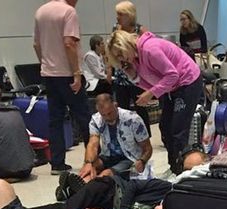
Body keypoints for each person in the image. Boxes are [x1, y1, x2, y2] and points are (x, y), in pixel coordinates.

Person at [106, 30, 203, 175]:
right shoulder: (135, 59)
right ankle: (175, 167)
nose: (121, 59)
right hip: (173, 87)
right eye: (117, 56)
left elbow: (172, 75)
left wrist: (151, 93)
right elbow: (151, 82)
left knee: (178, 130)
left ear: (126, 45)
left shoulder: (150, 49)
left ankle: (183, 170)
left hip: (187, 81)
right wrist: (134, 77)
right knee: (165, 127)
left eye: (120, 53)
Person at [34, 0, 92, 175]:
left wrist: (45, 64)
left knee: (55, 121)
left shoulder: (41, 11)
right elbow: (69, 43)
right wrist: (76, 72)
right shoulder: (68, 12)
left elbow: (37, 44)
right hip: (67, 74)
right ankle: (93, 159)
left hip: (49, 75)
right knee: (85, 119)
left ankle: (57, 164)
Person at [78, 93, 152, 183]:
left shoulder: (133, 119)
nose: (107, 117)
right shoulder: (96, 120)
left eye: (110, 113)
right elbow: (93, 144)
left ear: (115, 105)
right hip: (107, 156)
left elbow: (147, 148)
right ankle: (79, 187)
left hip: (129, 158)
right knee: (88, 170)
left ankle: (92, 188)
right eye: (103, 115)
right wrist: (88, 163)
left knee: (105, 175)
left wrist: (142, 161)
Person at [111, 0, 152, 138]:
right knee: (122, 110)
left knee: (140, 107)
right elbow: (111, 51)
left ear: (129, 15)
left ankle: (145, 136)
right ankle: (126, 136)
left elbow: (149, 50)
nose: (117, 17)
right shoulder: (115, 29)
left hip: (137, 76)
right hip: (121, 76)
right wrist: (109, 70)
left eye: (120, 14)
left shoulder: (140, 30)